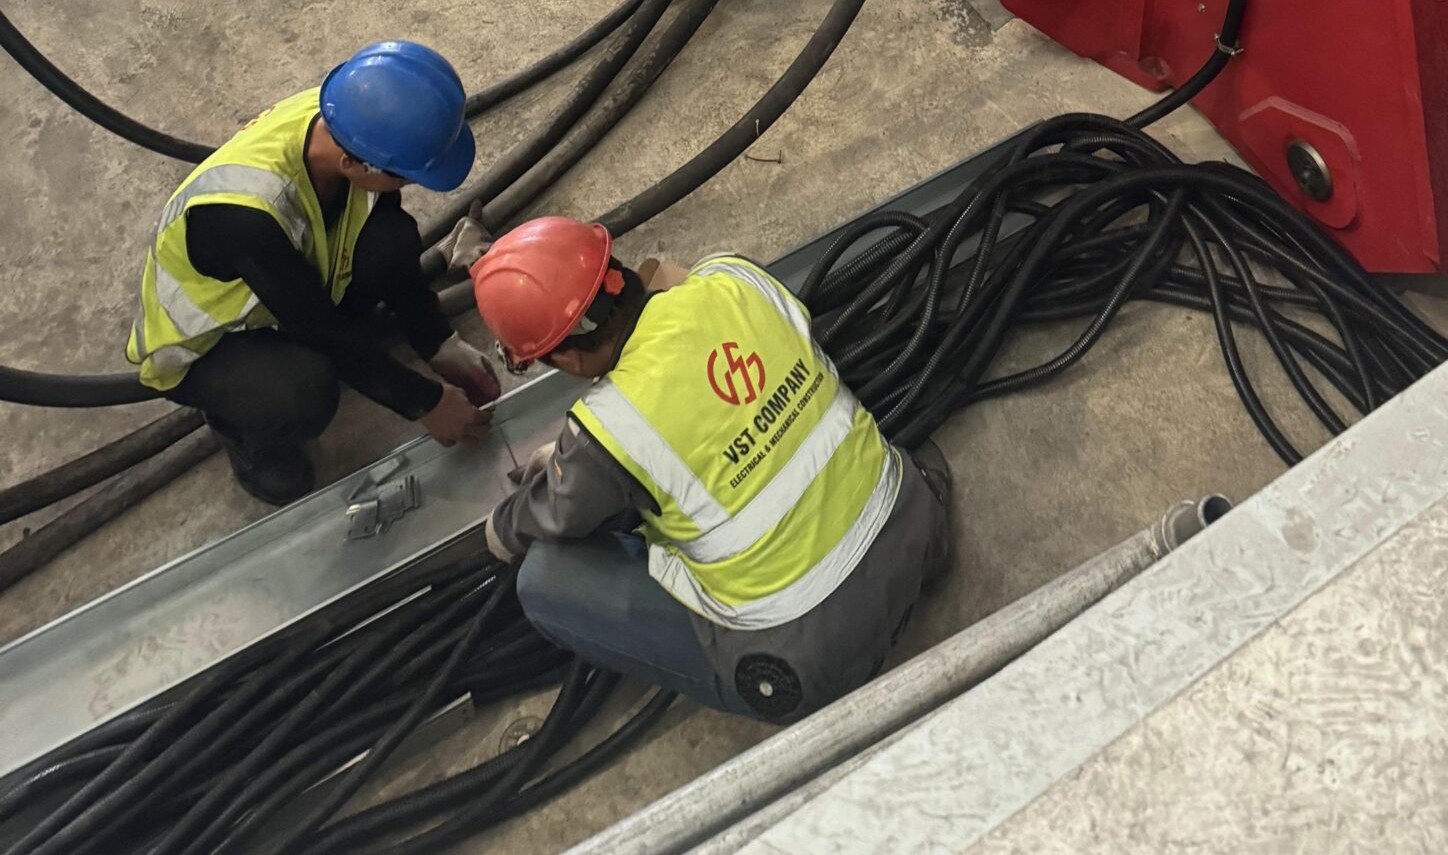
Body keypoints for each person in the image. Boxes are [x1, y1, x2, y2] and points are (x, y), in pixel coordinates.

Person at [472, 216, 950, 725]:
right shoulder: (731, 278)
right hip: (916, 523)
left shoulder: (610, 425)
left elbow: (554, 514)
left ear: (566, 358)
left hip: (811, 656)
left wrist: (502, 529)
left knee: (543, 579)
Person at [128, 40, 501, 502]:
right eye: (404, 175)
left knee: (391, 237)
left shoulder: (351, 115)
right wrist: (426, 402)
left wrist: (436, 340)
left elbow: (386, 234)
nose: (409, 185)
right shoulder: (243, 216)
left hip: (289, 286)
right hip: (211, 346)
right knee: (306, 389)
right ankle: (248, 438)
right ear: (353, 164)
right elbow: (321, 331)